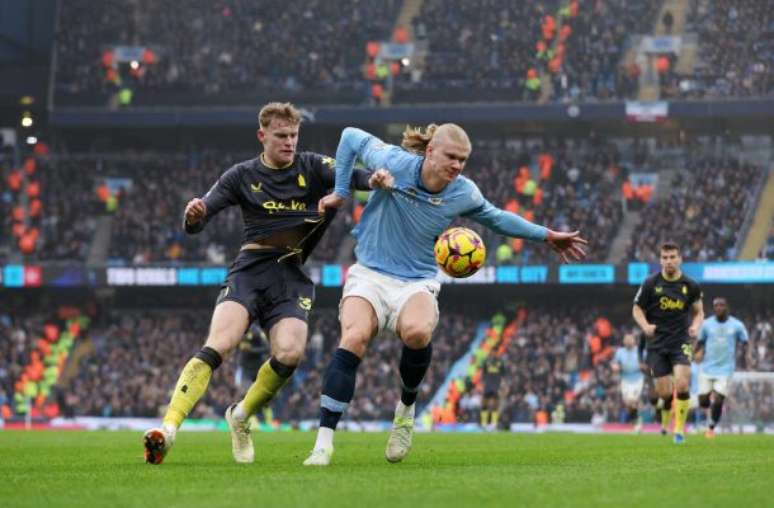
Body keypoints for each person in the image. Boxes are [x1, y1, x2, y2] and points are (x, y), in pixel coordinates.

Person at [303, 123, 588, 466]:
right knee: (354, 337)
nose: (457, 165)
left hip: (417, 281)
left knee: (417, 333)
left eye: (463, 160)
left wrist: (546, 235)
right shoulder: (393, 161)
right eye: (451, 157)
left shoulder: (463, 192)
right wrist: (340, 192)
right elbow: (349, 136)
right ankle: (323, 443)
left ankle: (405, 411)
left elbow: (497, 218)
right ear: (430, 151)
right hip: (370, 274)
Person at [143, 102, 377, 465]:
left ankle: (240, 416)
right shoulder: (241, 175)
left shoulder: (313, 165)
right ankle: (168, 429)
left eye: (293, 135)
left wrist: (374, 179)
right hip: (250, 271)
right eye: (281, 135)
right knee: (219, 344)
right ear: (262, 136)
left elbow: (353, 176)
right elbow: (199, 219)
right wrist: (193, 215)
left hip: (291, 276)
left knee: (290, 353)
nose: (289, 142)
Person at [633, 242, 703, 444]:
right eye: (665, 257)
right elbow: (636, 309)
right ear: (660, 260)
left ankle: (679, 430)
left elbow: (699, 312)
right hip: (656, 343)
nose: (669, 261)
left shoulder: (691, 285)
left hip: (681, 341)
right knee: (664, 393)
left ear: (680, 259)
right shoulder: (650, 283)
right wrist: (645, 325)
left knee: (682, 384)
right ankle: (665, 419)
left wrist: (695, 326)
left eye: (672, 257)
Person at [696, 297, 749, 438]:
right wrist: (694, 354)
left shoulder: (737, 325)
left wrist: (745, 357)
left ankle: (711, 427)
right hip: (707, 368)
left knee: (719, 398)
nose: (719, 307)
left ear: (727, 307)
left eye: (721, 305)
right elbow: (700, 342)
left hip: (725, 369)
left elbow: (745, 342)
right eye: (716, 305)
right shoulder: (707, 325)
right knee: (703, 401)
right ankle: (709, 409)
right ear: (713, 308)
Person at [611, 333, 644, 432]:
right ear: (623, 341)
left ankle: (637, 421)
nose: (628, 341)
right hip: (625, 379)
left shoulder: (640, 351)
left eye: (630, 339)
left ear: (634, 341)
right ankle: (635, 420)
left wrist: (644, 367)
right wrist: (615, 367)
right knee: (628, 403)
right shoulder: (620, 351)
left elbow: (647, 362)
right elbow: (614, 363)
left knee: (633, 401)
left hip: (637, 378)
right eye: (626, 339)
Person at [480, 354, 505, 430]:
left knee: (494, 406)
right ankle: (484, 423)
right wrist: (483, 383)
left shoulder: (500, 363)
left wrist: (502, 384)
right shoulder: (486, 362)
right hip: (488, 387)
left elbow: (503, 374)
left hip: (495, 387)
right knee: (485, 405)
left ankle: (493, 424)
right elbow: (483, 374)